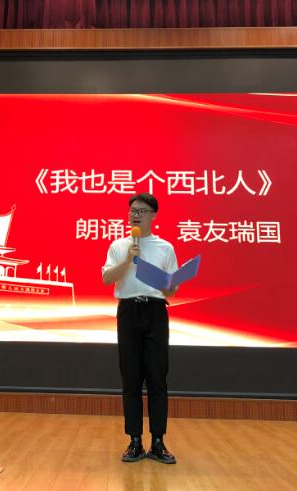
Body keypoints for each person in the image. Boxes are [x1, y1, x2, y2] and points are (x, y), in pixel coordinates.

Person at [102, 192, 178, 465]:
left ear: (153, 215)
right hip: (129, 311)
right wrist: (127, 260)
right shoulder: (119, 245)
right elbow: (106, 278)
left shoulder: (165, 247)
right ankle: (134, 440)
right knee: (131, 377)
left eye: (142, 211)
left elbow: (171, 290)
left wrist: (162, 280)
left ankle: (158, 441)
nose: (135, 215)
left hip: (156, 311)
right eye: (132, 210)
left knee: (157, 378)